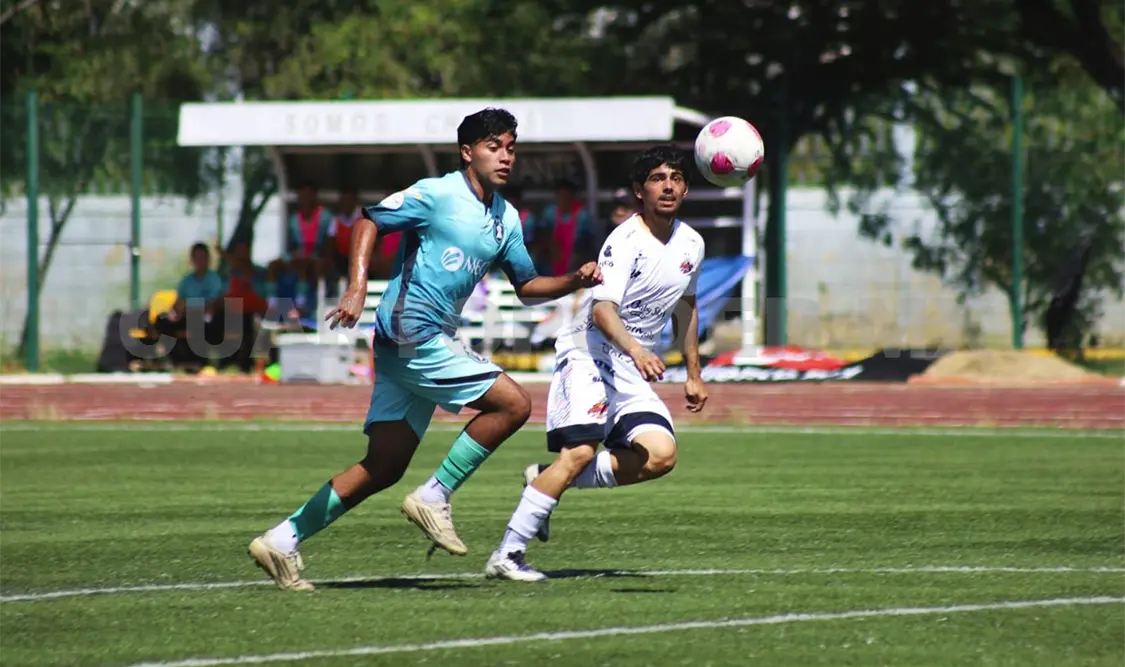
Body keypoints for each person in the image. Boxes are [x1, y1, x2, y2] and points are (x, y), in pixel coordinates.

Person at [247, 108, 602, 591]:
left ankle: (282, 539)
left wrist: (572, 280)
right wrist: (356, 287)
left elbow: (527, 285)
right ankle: (435, 494)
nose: (505, 156)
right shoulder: (437, 193)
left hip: (422, 339)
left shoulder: (506, 218)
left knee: (384, 466)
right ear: (467, 152)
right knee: (514, 403)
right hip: (410, 330)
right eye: (494, 146)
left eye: (511, 147)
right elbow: (368, 222)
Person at [484, 144, 708, 582]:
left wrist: (694, 375)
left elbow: (688, 304)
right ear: (639, 190)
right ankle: (507, 554)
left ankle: (546, 479)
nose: (668, 186)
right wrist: (639, 350)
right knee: (581, 451)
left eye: (677, 178)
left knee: (661, 456)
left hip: (629, 364)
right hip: (590, 354)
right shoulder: (624, 241)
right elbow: (602, 310)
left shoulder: (692, 243)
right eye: (658, 178)